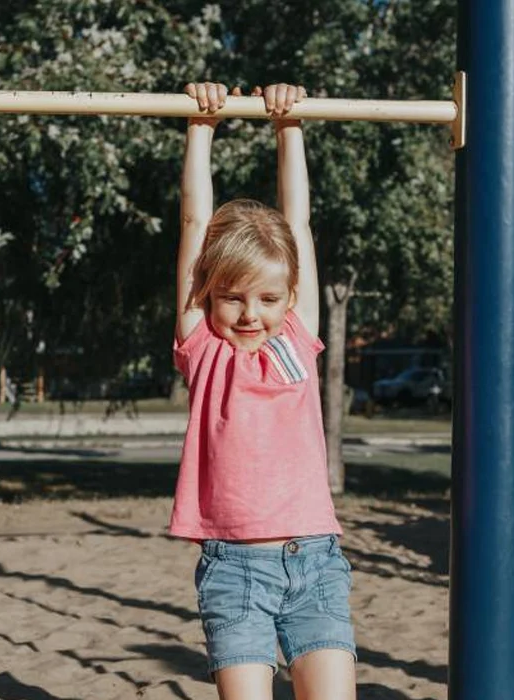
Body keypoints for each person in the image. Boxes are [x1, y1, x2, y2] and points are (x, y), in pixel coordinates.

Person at [170, 81, 357, 700]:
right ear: (207, 293)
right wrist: (201, 127)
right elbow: (196, 222)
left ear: (289, 295)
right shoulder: (205, 349)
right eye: (233, 297)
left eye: (269, 298)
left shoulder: (298, 338)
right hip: (234, 570)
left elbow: (298, 221)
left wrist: (290, 127)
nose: (251, 313)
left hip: (315, 563)